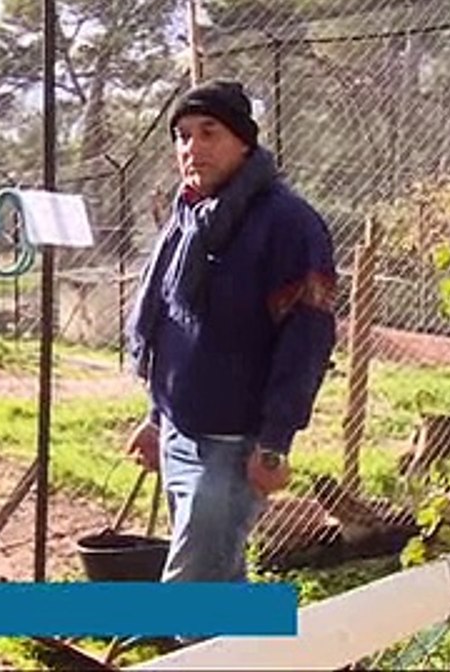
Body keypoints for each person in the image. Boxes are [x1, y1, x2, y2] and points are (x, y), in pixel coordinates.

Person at [124, 79, 338, 588]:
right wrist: (157, 418)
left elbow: (306, 342)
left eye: (208, 132)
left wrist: (274, 444)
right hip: (179, 431)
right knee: (217, 580)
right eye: (181, 136)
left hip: (233, 446)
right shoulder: (189, 218)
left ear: (244, 141)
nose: (191, 148)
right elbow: (172, 329)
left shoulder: (289, 224)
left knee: (193, 589)